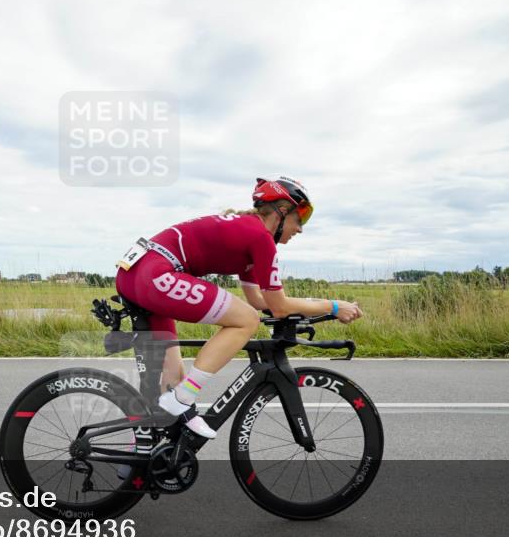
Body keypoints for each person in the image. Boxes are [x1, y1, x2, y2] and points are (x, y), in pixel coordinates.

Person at [114, 176, 363, 439]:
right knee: (246, 319)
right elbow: (277, 307)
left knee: (173, 376)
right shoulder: (260, 238)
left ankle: (145, 450)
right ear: (282, 212)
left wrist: (311, 308)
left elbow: (259, 298)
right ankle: (184, 398)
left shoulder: (250, 233)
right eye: (299, 219)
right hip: (155, 272)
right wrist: (334, 306)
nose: (300, 229)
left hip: (136, 273)